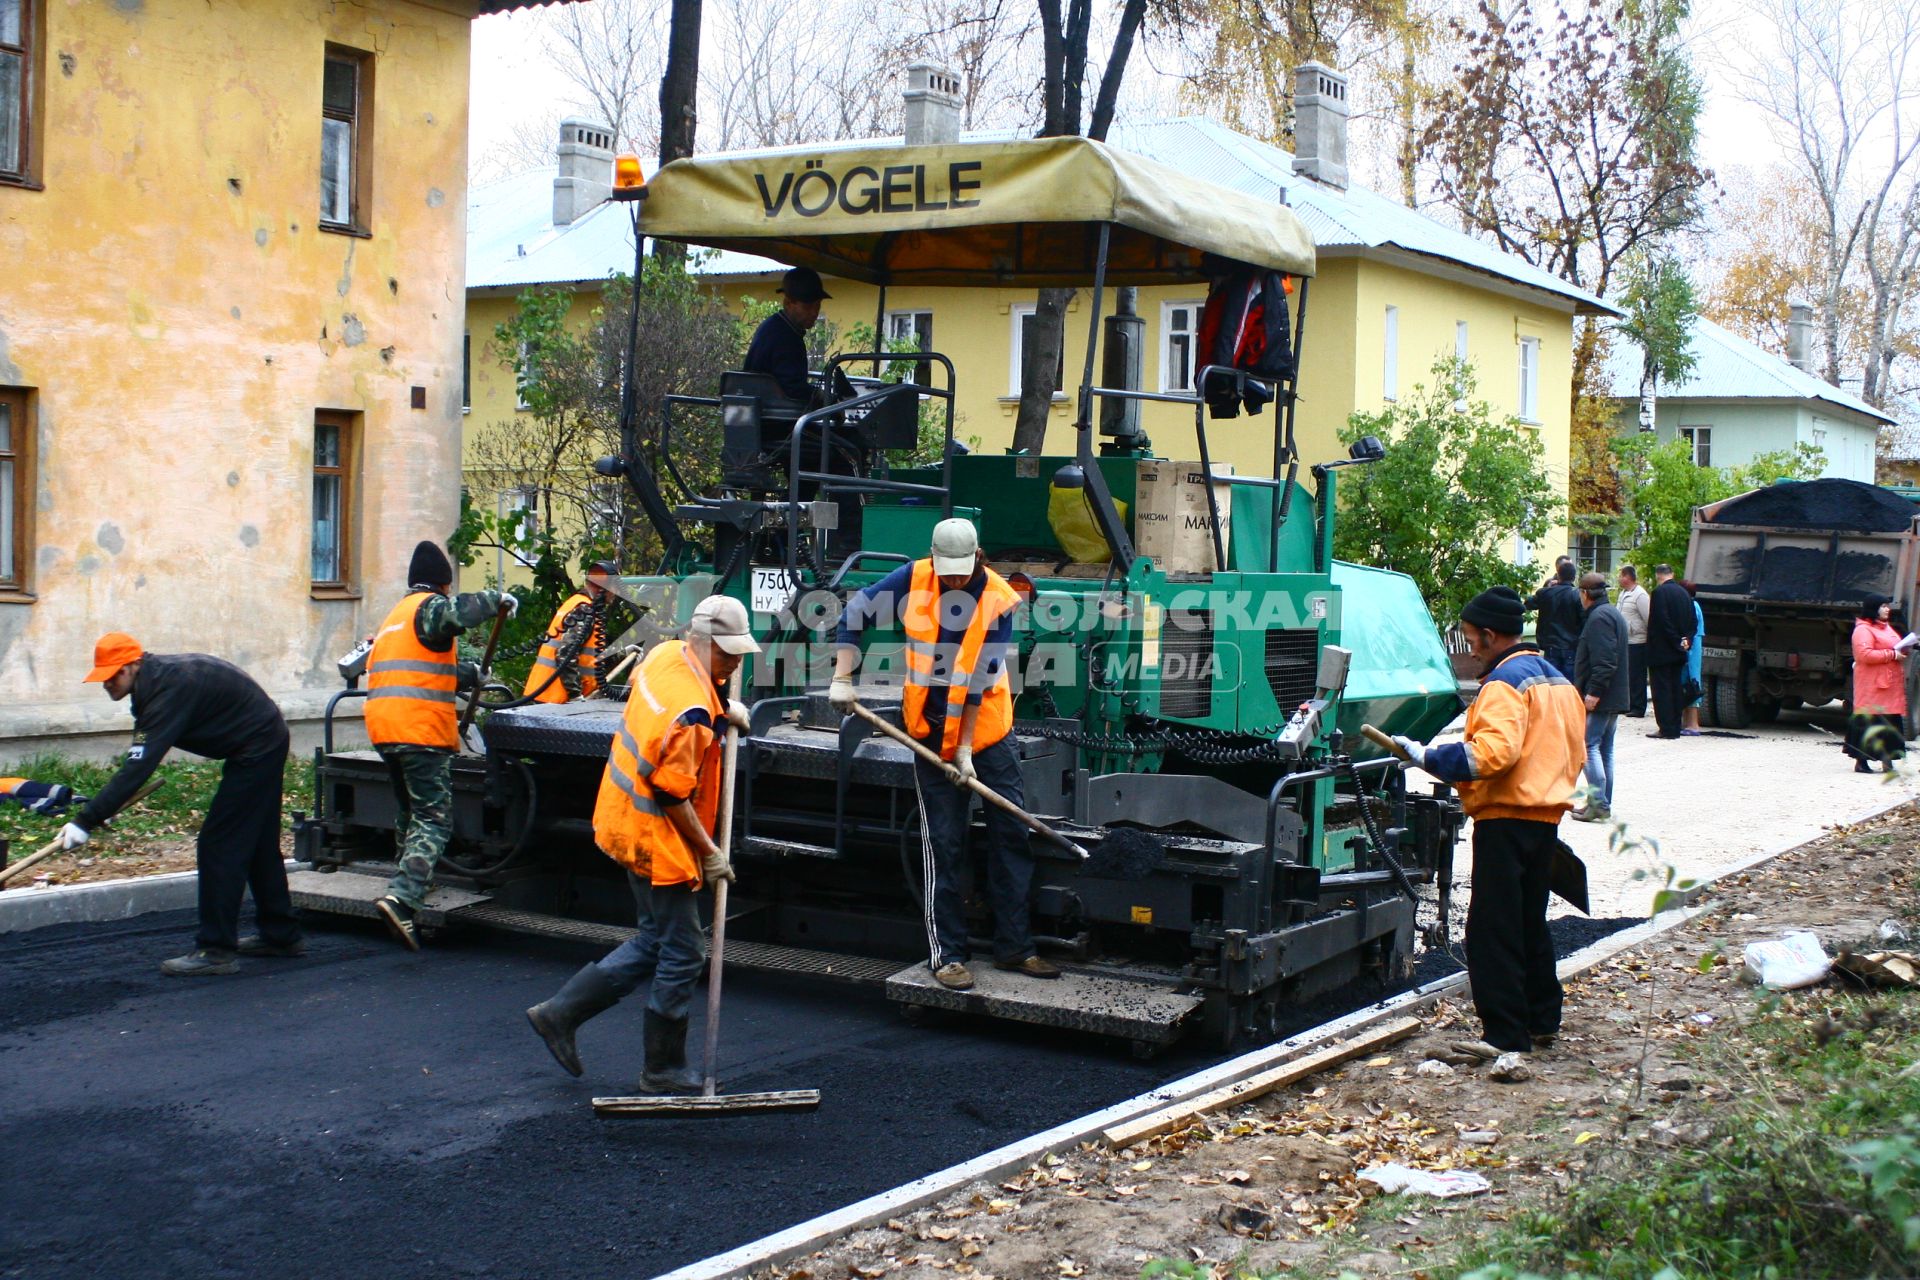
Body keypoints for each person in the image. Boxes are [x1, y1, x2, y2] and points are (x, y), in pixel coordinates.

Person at [524, 596, 757, 1092]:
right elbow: (673, 792)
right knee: (684, 952)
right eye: (728, 654)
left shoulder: (665, 655)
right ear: (703, 642)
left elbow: (682, 694)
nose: (736, 662)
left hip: (622, 816)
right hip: (659, 836)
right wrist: (711, 854)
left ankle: (559, 1014)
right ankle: (662, 1068)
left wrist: (723, 708)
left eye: (739, 654)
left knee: (655, 937)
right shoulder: (690, 715)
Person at [827, 516, 1059, 991]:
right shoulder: (913, 578)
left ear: (979, 556)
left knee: (1010, 833)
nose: (952, 579)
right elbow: (853, 616)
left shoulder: (998, 598)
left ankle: (1015, 947)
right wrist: (843, 678)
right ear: (934, 557)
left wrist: (967, 749)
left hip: (988, 735)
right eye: (944, 569)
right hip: (929, 732)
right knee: (944, 843)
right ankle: (948, 955)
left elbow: (978, 681)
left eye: (961, 569)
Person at [1391, 586, 1584, 1059]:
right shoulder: (1558, 681)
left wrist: (1429, 757)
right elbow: (1571, 752)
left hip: (1505, 819)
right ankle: (1542, 1020)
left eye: (1473, 638)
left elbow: (1493, 754)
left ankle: (1504, 1035)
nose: (1471, 648)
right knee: (1528, 923)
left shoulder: (1502, 684)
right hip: (1545, 819)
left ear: (1492, 636)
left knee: (1492, 932)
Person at [58, 633, 301, 976]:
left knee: (219, 845)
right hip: (259, 739)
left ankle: (216, 951)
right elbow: (140, 759)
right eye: (103, 677)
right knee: (257, 844)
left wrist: (86, 820)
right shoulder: (154, 683)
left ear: (133, 665)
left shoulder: (166, 692)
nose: (107, 683)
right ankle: (280, 934)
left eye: (114, 675)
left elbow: (138, 767)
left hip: (257, 747)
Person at [367, 541, 515, 950]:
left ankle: (414, 876)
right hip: (419, 731)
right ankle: (403, 898)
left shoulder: (395, 617)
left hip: (384, 727)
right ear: (444, 585)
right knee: (434, 819)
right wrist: (494, 599)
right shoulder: (431, 607)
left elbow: (421, 667)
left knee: (409, 811)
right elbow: (454, 616)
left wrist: (469, 674)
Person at [1572, 573, 1629, 821]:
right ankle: (1601, 803)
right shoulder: (1611, 613)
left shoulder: (1599, 618)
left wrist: (1593, 692)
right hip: (1613, 694)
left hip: (1602, 695)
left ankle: (1599, 803)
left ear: (1585, 594)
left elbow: (1605, 661)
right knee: (1604, 748)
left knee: (1588, 746)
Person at [522, 561, 615, 704]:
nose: (615, 594)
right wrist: (575, 695)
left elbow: (589, 654)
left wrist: (621, 652)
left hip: (547, 695)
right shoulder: (584, 610)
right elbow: (565, 653)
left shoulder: (577, 603)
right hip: (555, 700)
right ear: (603, 589)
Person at [744, 266, 831, 403]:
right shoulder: (784, 337)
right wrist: (823, 397)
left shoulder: (774, 326)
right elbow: (793, 389)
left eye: (817, 306)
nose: (814, 313)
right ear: (788, 303)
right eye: (808, 307)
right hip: (775, 419)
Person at [1847, 595, 1909, 773]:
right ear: (1873, 609)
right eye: (1883, 606)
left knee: (1889, 722)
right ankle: (1861, 762)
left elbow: (1894, 646)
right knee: (1871, 721)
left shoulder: (1886, 627)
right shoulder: (1863, 630)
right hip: (1872, 686)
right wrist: (1892, 655)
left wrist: (1905, 648)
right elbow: (1863, 655)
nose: (1887, 609)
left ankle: (1887, 762)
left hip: (1889, 685)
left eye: (1887, 606)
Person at [1646, 564, 1694, 740]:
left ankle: (1666, 728)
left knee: (1662, 690)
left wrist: (1675, 641)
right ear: (1672, 574)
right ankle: (1675, 725)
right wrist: (1685, 641)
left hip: (1662, 650)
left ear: (1658, 575)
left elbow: (1662, 621)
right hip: (1679, 650)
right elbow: (1692, 621)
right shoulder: (1684, 593)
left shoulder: (1659, 593)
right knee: (1675, 687)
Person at [1526, 560, 1585, 677]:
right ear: (1574, 577)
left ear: (1558, 576)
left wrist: (1547, 588)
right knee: (1569, 685)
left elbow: (1528, 604)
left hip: (1550, 646)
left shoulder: (1546, 593)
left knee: (1552, 684)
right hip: (1572, 646)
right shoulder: (1578, 595)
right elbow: (1584, 619)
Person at [1617, 565, 1651, 718]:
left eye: (1621, 576)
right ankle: (1628, 704)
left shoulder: (1640, 595)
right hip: (1625, 641)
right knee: (1627, 674)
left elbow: (1648, 618)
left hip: (1638, 641)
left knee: (1637, 675)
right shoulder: (1624, 594)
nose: (1619, 579)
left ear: (1627, 577)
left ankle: (1638, 707)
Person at [1680, 581, 1706, 736]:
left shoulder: (1692, 607)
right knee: (1687, 684)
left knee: (1692, 684)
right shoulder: (1694, 605)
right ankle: (1687, 723)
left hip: (1692, 649)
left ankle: (1693, 724)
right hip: (1693, 647)